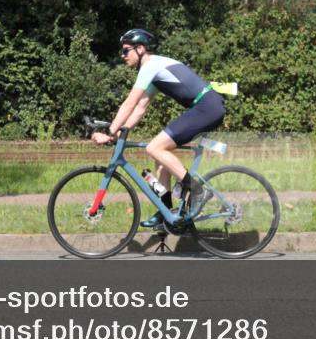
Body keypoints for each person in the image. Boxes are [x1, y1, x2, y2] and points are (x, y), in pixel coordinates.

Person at [91, 28, 225, 227]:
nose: (122, 56)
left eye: (126, 51)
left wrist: (109, 133)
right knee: (159, 157)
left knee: (154, 147)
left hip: (207, 107)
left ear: (140, 49)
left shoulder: (150, 66)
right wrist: (119, 132)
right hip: (205, 107)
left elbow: (129, 103)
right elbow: (140, 108)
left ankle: (198, 190)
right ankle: (165, 211)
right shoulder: (154, 71)